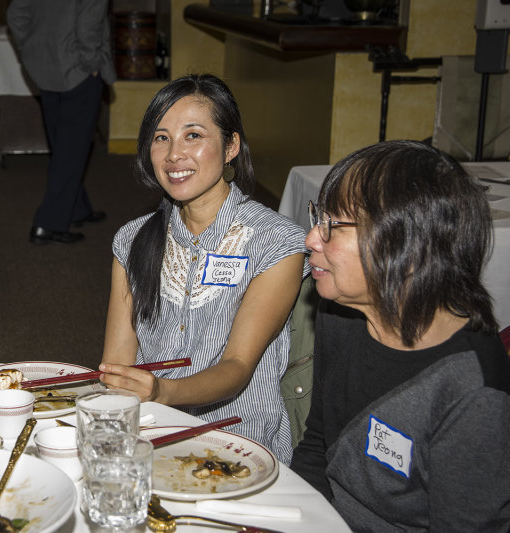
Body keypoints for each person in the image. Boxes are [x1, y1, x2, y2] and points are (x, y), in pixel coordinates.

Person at [290, 140, 510, 531]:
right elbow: (317, 446)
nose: (311, 239)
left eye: (332, 226)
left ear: (406, 248)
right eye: (317, 218)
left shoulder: (472, 391)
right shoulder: (341, 312)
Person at [99, 74, 309, 464]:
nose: (174, 154)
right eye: (161, 138)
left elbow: (237, 366)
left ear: (231, 146)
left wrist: (163, 390)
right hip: (150, 433)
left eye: (193, 136)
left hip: (238, 444)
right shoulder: (132, 241)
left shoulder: (277, 241)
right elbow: (118, 363)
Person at [6, 0, 116, 245]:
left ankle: (77, 207)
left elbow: (15, 13)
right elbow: (89, 26)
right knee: (72, 148)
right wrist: (91, 65)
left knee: (64, 144)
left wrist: (30, 46)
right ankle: (48, 223)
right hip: (78, 71)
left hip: (45, 67)